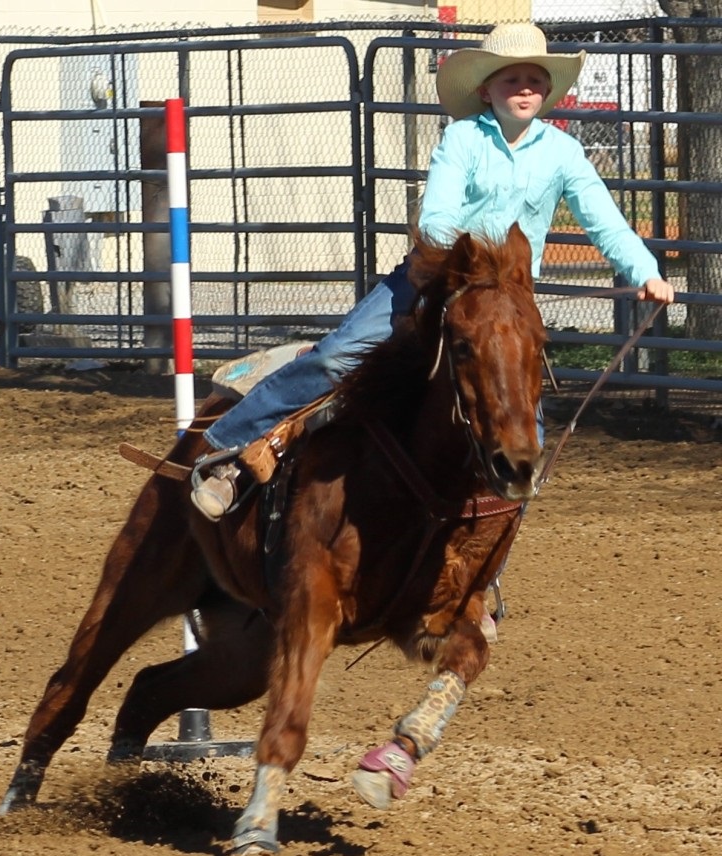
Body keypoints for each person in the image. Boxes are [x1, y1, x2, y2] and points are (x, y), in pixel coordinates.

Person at [191, 22, 674, 523]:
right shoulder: (462, 139)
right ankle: (226, 449)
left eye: (534, 79)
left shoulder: (564, 154)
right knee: (336, 359)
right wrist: (461, 263)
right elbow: (436, 217)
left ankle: (483, 577)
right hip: (432, 281)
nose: (524, 88)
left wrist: (645, 272)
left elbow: (606, 224)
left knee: (525, 428)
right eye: (512, 80)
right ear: (487, 89)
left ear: (547, 89)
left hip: (506, 299)